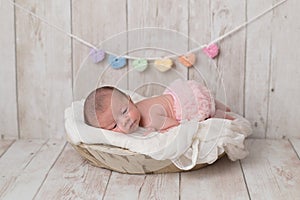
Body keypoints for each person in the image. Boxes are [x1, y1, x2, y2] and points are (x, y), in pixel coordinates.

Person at [84, 79, 233, 134]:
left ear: (131, 100)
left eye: (124, 111)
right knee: (210, 101)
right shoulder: (137, 109)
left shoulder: (150, 118)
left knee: (207, 117)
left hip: (187, 104)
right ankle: (221, 106)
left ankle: (226, 116)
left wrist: (157, 132)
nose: (125, 121)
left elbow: (175, 124)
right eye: (114, 126)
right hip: (182, 92)